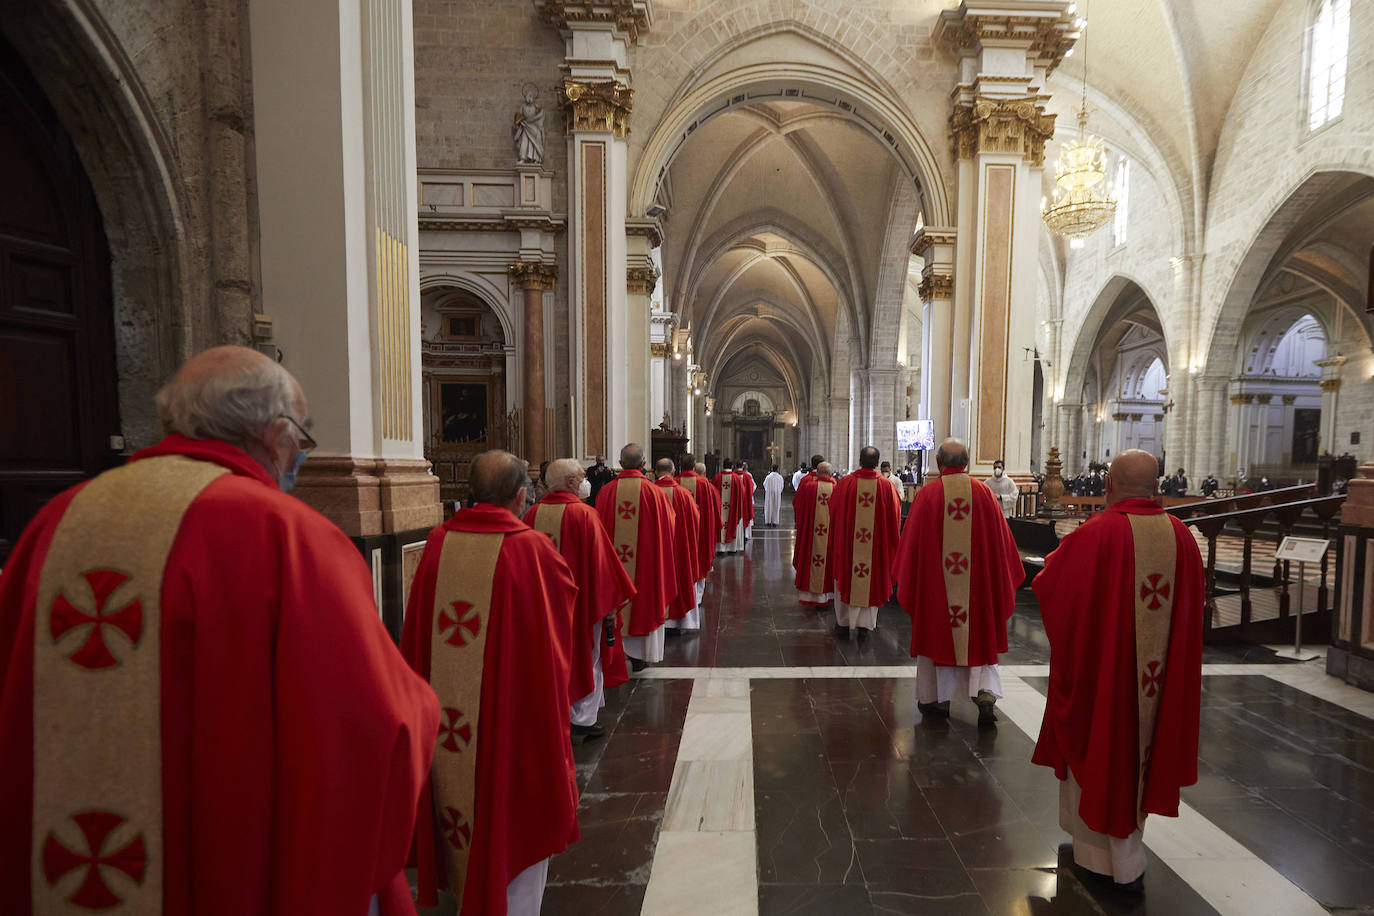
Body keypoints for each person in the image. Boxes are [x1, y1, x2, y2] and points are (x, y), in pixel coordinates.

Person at [0, 346, 439, 914]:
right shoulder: (287, 534)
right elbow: (378, 721)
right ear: (278, 434)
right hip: (231, 861)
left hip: (62, 858)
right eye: (301, 440)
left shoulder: (59, 518)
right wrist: (428, 707)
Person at [404, 450, 578, 913]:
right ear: (522, 495)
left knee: (461, 797)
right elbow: (557, 627)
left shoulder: (439, 542)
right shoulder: (532, 549)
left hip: (449, 723)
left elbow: (416, 632)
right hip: (513, 714)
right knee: (515, 804)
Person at [1031, 449, 1204, 891]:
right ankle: (1129, 856)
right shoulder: (1182, 538)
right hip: (1156, 685)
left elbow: (1051, 587)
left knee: (1101, 748)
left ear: (1108, 485)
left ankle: (1096, 860)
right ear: (1157, 486)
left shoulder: (1096, 533)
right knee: (1141, 754)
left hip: (1103, 683)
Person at [894, 438, 1022, 725]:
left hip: (937, 592)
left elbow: (910, 548)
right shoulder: (985, 494)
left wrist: (910, 577)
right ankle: (985, 694)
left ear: (938, 464)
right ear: (967, 462)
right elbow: (1004, 548)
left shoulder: (928, 495)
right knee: (978, 634)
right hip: (978, 592)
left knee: (937, 635)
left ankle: (937, 700)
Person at [524, 458, 635, 740]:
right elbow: (602, 565)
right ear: (573, 483)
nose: (586, 480)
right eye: (583, 476)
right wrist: (609, 605)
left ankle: (556, 711)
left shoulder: (532, 515)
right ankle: (583, 719)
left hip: (542, 605)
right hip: (582, 605)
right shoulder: (584, 516)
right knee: (588, 656)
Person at [595, 444, 677, 669]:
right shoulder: (655, 493)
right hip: (646, 568)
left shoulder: (605, 493)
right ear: (643, 464)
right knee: (644, 600)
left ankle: (616, 652)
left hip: (614, 570)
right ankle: (640, 656)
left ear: (620, 464)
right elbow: (670, 528)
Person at [828, 447, 902, 640]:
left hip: (847, 548)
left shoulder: (845, 484)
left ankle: (843, 623)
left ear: (859, 461)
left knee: (846, 578)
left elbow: (833, 512)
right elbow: (895, 519)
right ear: (877, 463)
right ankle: (865, 627)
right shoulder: (887, 487)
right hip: (875, 550)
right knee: (871, 582)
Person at [651, 458, 703, 632]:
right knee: (680, 574)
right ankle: (682, 622)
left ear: (655, 472)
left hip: (655, 553)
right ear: (673, 472)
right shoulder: (683, 494)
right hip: (680, 549)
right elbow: (696, 520)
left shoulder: (648, 492)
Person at [677, 455, 722, 607]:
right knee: (699, 560)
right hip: (701, 532)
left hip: (679, 533)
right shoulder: (704, 484)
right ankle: (697, 597)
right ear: (694, 465)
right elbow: (714, 509)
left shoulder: (675, 483)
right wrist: (715, 527)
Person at [792, 458, 836, 607]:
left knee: (811, 559)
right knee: (827, 563)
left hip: (810, 534)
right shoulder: (837, 488)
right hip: (830, 537)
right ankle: (826, 596)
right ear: (830, 474)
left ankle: (811, 596)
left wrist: (803, 524)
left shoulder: (807, 487)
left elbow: (797, 505)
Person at [713, 458, 748, 554]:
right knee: (732, 522)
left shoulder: (716, 478)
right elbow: (743, 494)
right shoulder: (736, 478)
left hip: (720, 510)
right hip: (732, 511)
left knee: (721, 523)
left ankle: (720, 549)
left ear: (723, 465)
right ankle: (732, 548)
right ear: (732, 466)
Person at [740, 461, 757, 539]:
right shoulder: (747, 476)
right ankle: (745, 535)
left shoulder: (748, 475)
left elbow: (753, 486)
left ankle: (742, 535)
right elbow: (753, 487)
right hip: (746, 499)